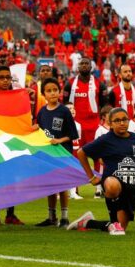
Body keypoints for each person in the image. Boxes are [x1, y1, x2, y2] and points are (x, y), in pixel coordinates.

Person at [69, 107, 135, 235]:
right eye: (117, 120)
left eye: (124, 120)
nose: (122, 123)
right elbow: (81, 152)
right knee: (112, 185)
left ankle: (87, 222)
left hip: (131, 188)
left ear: (129, 121)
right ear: (110, 123)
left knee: (123, 227)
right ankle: (114, 223)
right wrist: (92, 177)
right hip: (113, 183)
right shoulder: (106, 139)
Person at [34, 78, 78, 228]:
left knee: (62, 185)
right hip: (48, 155)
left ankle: (65, 217)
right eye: (49, 91)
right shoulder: (42, 112)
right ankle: (51, 217)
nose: (53, 93)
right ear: (43, 95)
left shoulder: (64, 111)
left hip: (62, 153)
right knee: (50, 185)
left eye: (55, 90)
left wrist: (60, 140)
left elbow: (72, 134)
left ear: (59, 92)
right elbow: (39, 130)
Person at [0, 66, 24, 226]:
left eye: (8, 77)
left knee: (12, 180)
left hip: (11, 143)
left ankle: (10, 214)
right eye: (1, 77)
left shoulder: (17, 97)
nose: (5, 81)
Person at [65, 102, 84, 200]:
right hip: (66, 150)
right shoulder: (63, 124)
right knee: (65, 172)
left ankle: (73, 192)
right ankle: (61, 193)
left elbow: (78, 139)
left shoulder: (78, 125)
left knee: (74, 171)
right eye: (69, 108)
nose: (72, 110)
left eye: (73, 108)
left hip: (75, 150)